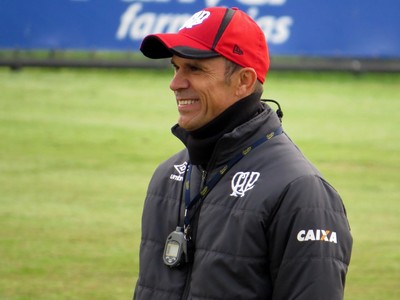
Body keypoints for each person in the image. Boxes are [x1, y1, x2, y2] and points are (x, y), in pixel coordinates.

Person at [133, 6, 352, 300]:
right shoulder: (167, 177)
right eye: (176, 67)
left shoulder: (300, 192)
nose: (175, 83)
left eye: (194, 69)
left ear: (244, 81)